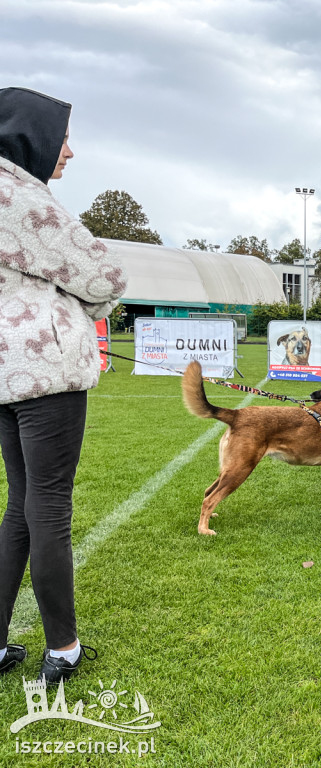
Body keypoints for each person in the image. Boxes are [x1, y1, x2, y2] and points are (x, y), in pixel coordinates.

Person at [0, 87, 126, 683]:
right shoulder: (20, 195)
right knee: (48, 506)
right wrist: (86, 306)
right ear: (29, 136)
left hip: (5, 372)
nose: (69, 151)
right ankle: (63, 647)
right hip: (45, 373)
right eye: (62, 136)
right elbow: (104, 276)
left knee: (19, 510)